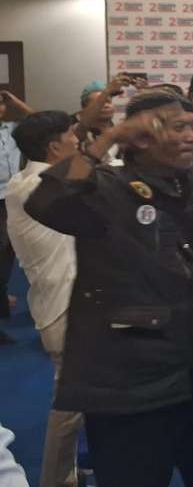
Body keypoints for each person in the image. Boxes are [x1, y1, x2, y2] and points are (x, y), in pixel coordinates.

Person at [24, 90, 193, 487]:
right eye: (176, 127)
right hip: (129, 384)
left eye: (191, 126)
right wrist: (107, 137)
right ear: (141, 138)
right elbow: (46, 202)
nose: (189, 135)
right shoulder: (104, 187)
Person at [7, 111, 82, 487]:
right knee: (68, 404)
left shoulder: (29, 180)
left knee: (77, 398)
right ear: (55, 146)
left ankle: (65, 473)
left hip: (65, 304)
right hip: (64, 308)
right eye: (73, 135)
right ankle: (56, 480)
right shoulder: (35, 186)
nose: (78, 141)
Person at [0, 90, 32, 343]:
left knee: (9, 253)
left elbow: (39, 121)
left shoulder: (13, 129)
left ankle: (2, 300)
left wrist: (16, 103)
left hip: (9, 196)